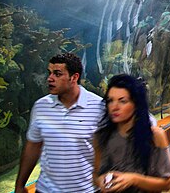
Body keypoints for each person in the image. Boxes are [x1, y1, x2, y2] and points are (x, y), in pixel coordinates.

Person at [15, 53, 105, 193]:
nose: (50, 78)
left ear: (74, 77)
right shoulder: (41, 106)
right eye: (49, 73)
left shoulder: (99, 107)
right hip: (45, 190)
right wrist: (20, 185)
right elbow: (33, 147)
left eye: (57, 74)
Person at [93, 74, 170, 192]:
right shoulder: (101, 136)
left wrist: (134, 179)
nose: (114, 107)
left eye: (122, 101)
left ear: (136, 104)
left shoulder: (155, 136)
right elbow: (95, 174)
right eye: (110, 100)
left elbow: (166, 184)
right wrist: (100, 181)